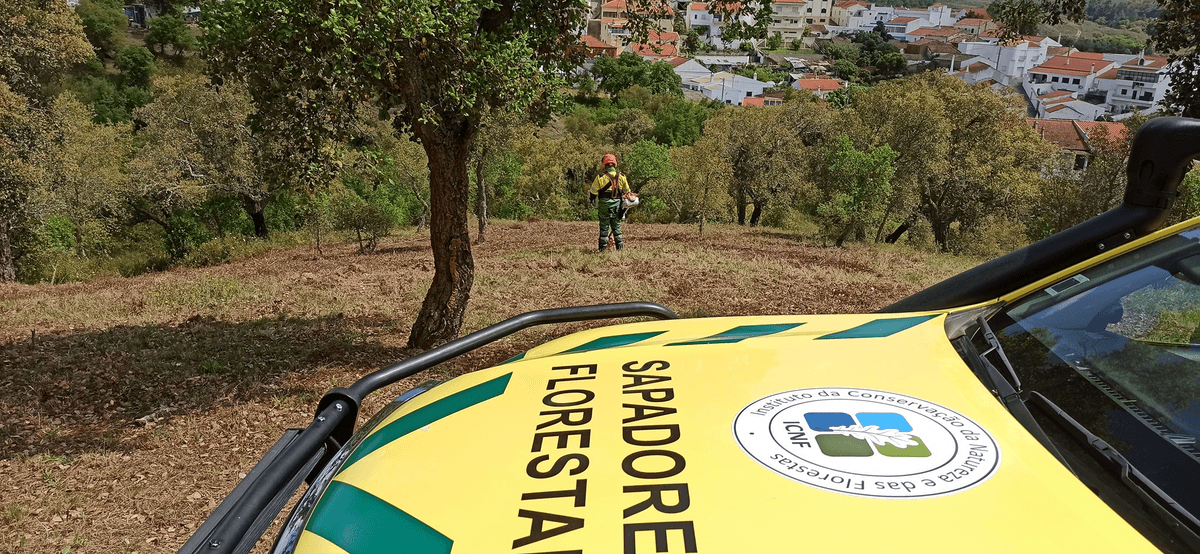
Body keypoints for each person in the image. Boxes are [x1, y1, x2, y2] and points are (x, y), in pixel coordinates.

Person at [589, 153, 631, 252]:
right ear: (615, 164)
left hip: (604, 205)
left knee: (604, 228)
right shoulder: (622, 176)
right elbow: (627, 192)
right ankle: (620, 250)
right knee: (616, 227)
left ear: (604, 164)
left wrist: (592, 200)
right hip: (617, 206)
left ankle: (602, 250)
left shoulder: (600, 177)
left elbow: (593, 192)